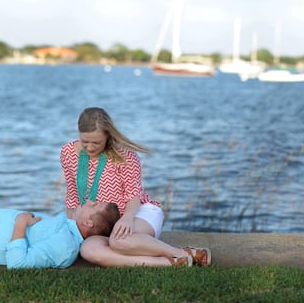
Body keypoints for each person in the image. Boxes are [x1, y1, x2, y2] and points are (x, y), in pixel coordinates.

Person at [60, 107, 212, 267]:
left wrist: (126, 219)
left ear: (108, 135)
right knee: (88, 250)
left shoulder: (125, 156)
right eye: (85, 141)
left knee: (119, 241)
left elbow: (134, 197)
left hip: (137, 212)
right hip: (104, 224)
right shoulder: (68, 153)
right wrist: (70, 230)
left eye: (96, 142)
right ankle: (167, 263)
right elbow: (73, 197)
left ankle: (183, 253)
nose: (90, 147)